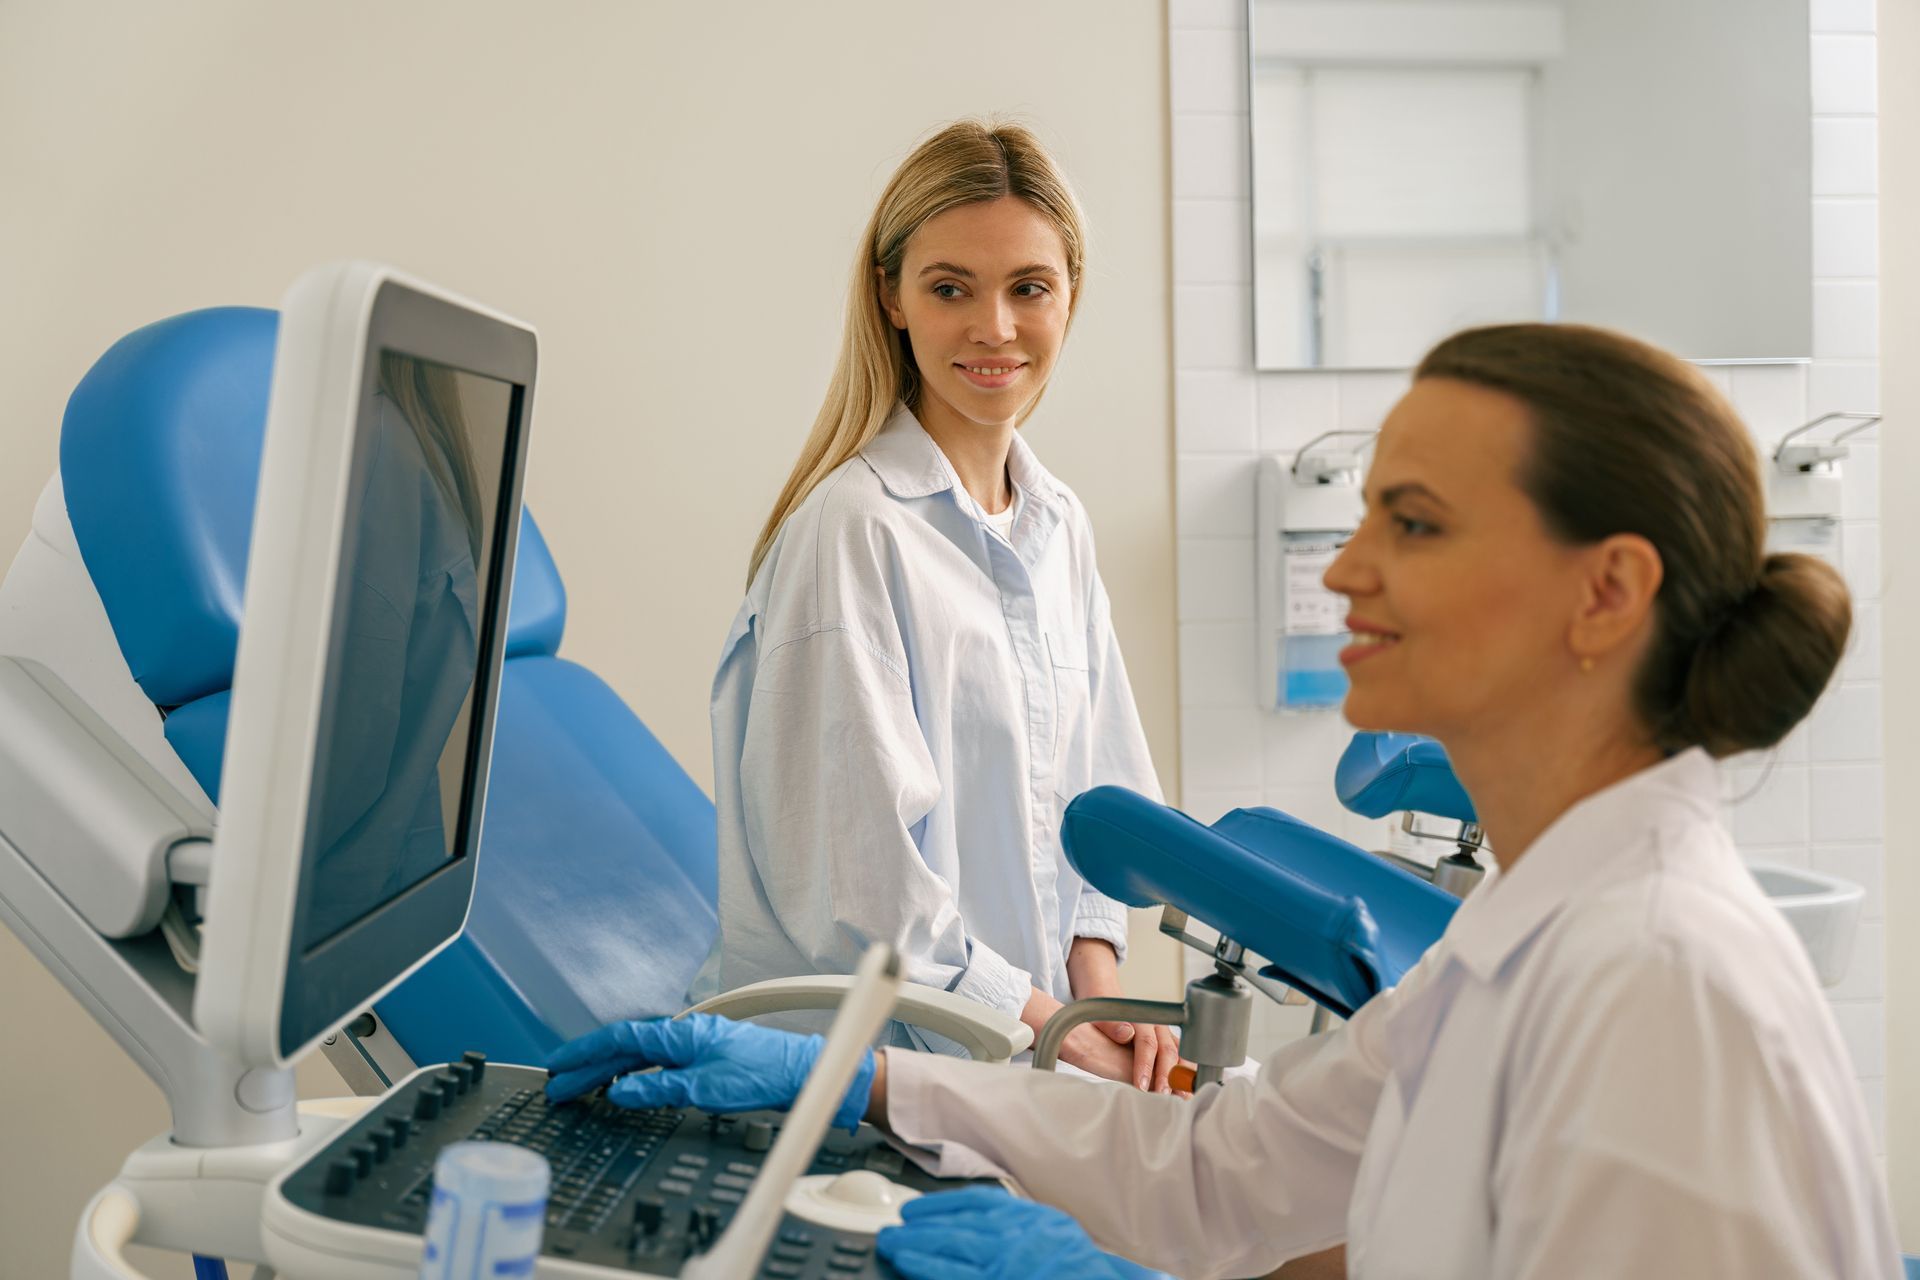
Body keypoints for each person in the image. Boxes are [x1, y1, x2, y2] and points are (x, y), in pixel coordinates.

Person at [552, 323, 1902, 1277]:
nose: (1346, 570)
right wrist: (864, 1081)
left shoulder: (1661, 988)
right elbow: (1215, 1172)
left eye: (1415, 525)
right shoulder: (1527, 939)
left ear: (1606, 593)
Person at [689, 119, 1181, 1091]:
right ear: (893, 298)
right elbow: (865, 897)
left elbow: (1103, 805)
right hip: (877, 1073)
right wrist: (1056, 1031)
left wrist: (1096, 998)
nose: (994, 327)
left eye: (1028, 288)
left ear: (1070, 295)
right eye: (951, 287)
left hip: (1011, 1048)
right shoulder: (852, 534)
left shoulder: (1059, 526)